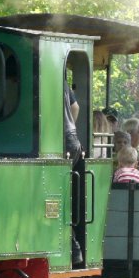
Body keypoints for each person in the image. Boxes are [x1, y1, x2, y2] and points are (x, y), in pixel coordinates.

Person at [64, 80, 83, 265]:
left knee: (60, 196)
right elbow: (75, 107)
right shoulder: (62, 82)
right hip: (70, 139)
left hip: (62, 142)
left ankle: (73, 246)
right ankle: (73, 247)